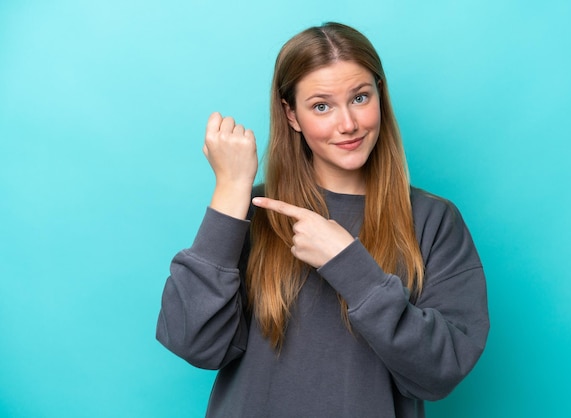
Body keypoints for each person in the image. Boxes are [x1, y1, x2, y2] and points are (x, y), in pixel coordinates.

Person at [156, 22, 489, 418]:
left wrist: (349, 263)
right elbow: (193, 342)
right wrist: (231, 188)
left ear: (380, 96)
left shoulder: (434, 220)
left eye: (360, 98)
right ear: (291, 115)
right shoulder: (252, 210)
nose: (347, 124)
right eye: (321, 106)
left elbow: (440, 372)